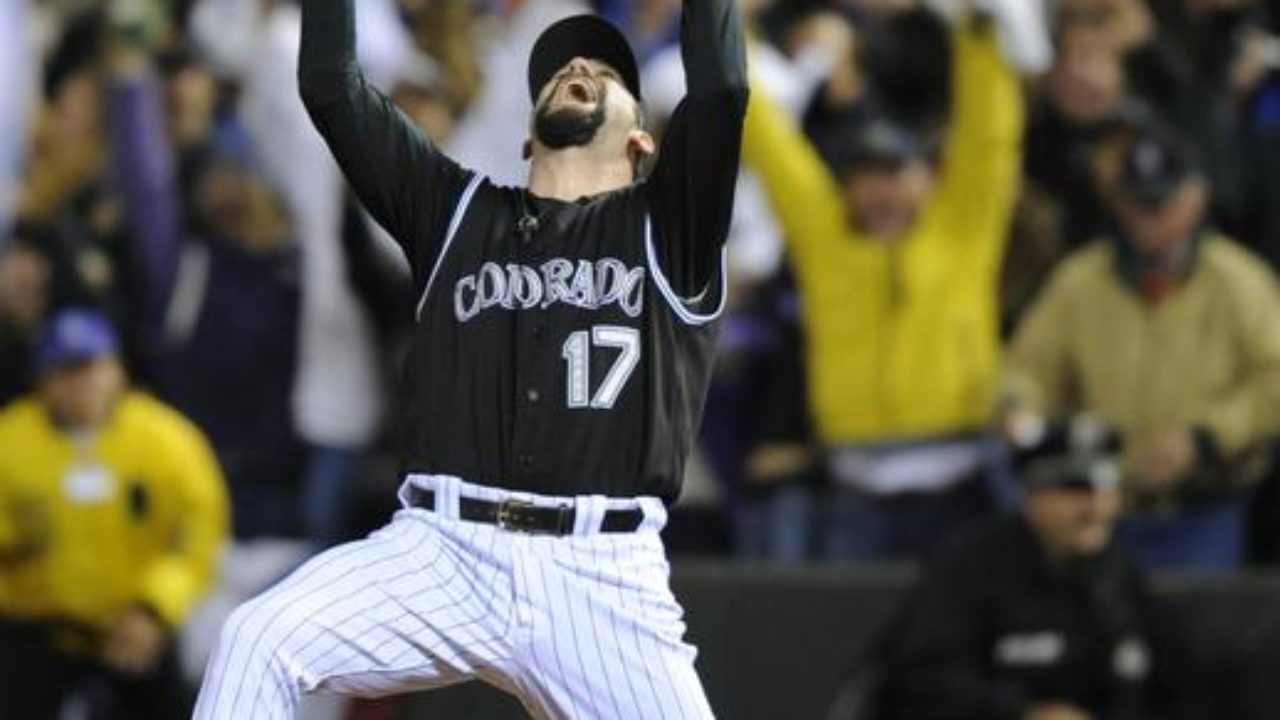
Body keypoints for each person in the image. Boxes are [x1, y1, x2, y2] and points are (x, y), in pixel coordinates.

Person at [193, 0, 747, 715]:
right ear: (525, 138)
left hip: (600, 572)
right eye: (558, 71)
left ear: (641, 138)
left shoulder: (671, 227)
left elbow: (723, 88)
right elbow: (331, 85)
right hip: (440, 549)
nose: (577, 67)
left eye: (604, 71)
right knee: (256, 638)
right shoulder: (454, 212)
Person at [741, 5, 1024, 560]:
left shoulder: (963, 227)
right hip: (855, 486)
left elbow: (990, 139)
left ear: (926, 175)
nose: (881, 192)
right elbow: (769, 141)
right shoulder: (826, 238)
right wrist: (724, 28)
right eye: (866, 175)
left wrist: (979, 31)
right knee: (853, 639)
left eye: (895, 173)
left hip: (962, 479)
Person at [1005, 126, 1280, 569]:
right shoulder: (1081, 281)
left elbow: (1274, 381)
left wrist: (1205, 437)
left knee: (1193, 633)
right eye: (1136, 203)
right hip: (1101, 509)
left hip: (1203, 508)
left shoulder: (1238, 282)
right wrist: (1018, 405)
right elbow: (1029, 367)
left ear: (1195, 198)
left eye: (1161, 203)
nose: (1147, 220)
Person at [0, 308, 229, 719]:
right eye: (64, 370)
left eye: (90, 366)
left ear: (117, 369)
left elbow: (200, 532)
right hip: (40, 630)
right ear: (42, 380)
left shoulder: (166, 440)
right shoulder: (11, 443)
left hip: (137, 623)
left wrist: (154, 606)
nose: (80, 383)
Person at [878, 440, 1204, 720]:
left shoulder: (1119, 572)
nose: (1095, 509)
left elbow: (1178, 688)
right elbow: (921, 679)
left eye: (1106, 492)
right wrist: (1021, 713)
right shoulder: (971, 565)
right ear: (1034, 497)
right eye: (1076, 493)